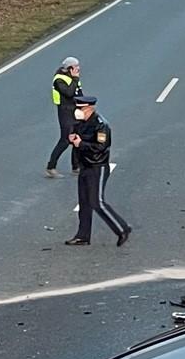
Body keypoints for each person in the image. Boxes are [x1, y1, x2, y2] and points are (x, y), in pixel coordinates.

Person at [62, 97, 130, 247]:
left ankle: (122, 229)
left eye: (81, 109)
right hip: (85, 166)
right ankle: (83, 236)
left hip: (97, 167)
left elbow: (101, 147)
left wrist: (82, 143)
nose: (78, 111)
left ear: (90, 108)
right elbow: (74, 135)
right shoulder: (81, 123)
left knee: (96, 202)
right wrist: (72, 138)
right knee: (84, 203)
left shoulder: (101, 125)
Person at [44, 57, 84, 178]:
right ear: (70, 68)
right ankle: (51, 166)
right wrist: (75, 79)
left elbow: (79, 94)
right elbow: (69, 93)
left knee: (78, 137)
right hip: (65, 112)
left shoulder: (74, 79)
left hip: (75, 111)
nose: (78, 69)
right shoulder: (59, 80)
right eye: (76, 67)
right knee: (65, 140)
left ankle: (76, 166)